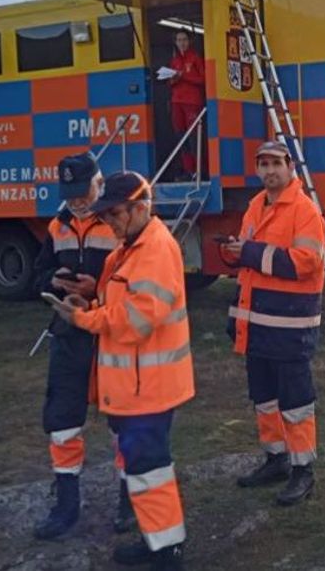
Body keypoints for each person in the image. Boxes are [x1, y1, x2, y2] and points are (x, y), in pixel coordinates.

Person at [51, 171, 194, 571]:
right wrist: (91, 294)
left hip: (148, 388)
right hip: (137, 387)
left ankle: (168, 551)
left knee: (150, 470)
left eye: (114, 213)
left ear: (140, 208)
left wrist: (85, 319)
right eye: (107, 214)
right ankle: (159, 542)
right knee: (144, 470)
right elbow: (122, 298)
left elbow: (136, 319)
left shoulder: (154, 250)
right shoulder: (131, 246)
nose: (109, 222)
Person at [220, 141, 325, 506]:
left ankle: (303, 471)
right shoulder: (255, 205)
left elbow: (305, 263)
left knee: (296, 402)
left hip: (291, 326)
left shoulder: (304, 210)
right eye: (263, 164)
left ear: (290, 166)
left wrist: (247, 253)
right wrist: (233, 253)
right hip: (257, 324)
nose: (269, 171)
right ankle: (276, 459)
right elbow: (249, 260)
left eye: (275, 164)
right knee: (264, 399)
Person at [32, 154, 134, 540]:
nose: (76, 202)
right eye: (70, 195)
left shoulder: (120, 223)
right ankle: (66, 505)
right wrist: (54, 281)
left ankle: (129, 500)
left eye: (83, 193)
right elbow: (38, 274)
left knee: (123, 421)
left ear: (99, 182)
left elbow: (137, 280)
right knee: (62, 420)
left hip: (111, 333)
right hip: (70, 332)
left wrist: (99, 290)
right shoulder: (57, 226)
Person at [166, 30, 205, 179]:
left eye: (184, 39)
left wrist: (184, 76)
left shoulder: (195, 58)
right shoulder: (174, 61)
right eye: (179, 40)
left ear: (189, 41)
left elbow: (203, 79)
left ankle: (200, 170)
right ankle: (189, 171)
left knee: (194, 137)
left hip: (192, 102)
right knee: (181, 136)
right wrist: (174, 78)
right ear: (175, 42)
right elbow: (169, 82)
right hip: (177, 102)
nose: (182, 43)